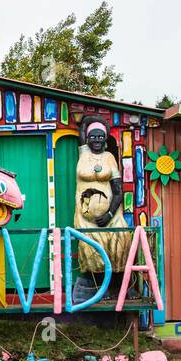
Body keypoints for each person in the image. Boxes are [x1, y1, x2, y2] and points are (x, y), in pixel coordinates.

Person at [73, 117, 132, 288]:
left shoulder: (109, 158)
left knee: (120, 242)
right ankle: (98, 288)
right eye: (93, 136)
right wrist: (91, 118)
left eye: (100, 136)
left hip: (111, 217)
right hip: (86, 218)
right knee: (91, 250)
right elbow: (83, 128)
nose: (96, 140)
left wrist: (110, 214)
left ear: (105, 139)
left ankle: (118, 287)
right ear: (87, 139)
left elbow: (118, 191)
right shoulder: (83, 153)